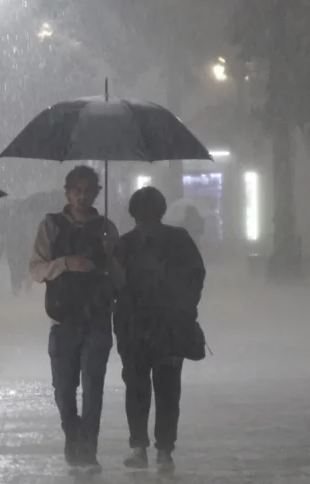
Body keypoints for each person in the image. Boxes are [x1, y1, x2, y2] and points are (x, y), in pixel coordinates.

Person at [29, 165, 125, 474]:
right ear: (68, 193)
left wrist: (110, 254)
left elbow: (121, 279)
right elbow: (36, 268)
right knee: (63, 389)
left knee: (93, 387)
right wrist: (67, 264)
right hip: (63, 320)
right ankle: (73, 436)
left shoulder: (107, 228)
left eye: (88, 190)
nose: (82, 197)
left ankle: (88, 448)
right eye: (76, 191)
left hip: (97, 319)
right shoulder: (52, 226)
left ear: (97, 192)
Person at [115, 187, 206, 473]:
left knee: (154, 389)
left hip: (160, 327)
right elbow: (196, 277)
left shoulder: (133, 243)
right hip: (143, 327)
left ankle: (151, 447)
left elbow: (195, 277)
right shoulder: (126, 245)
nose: (146, 221)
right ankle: (155, 448)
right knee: (151, 389)